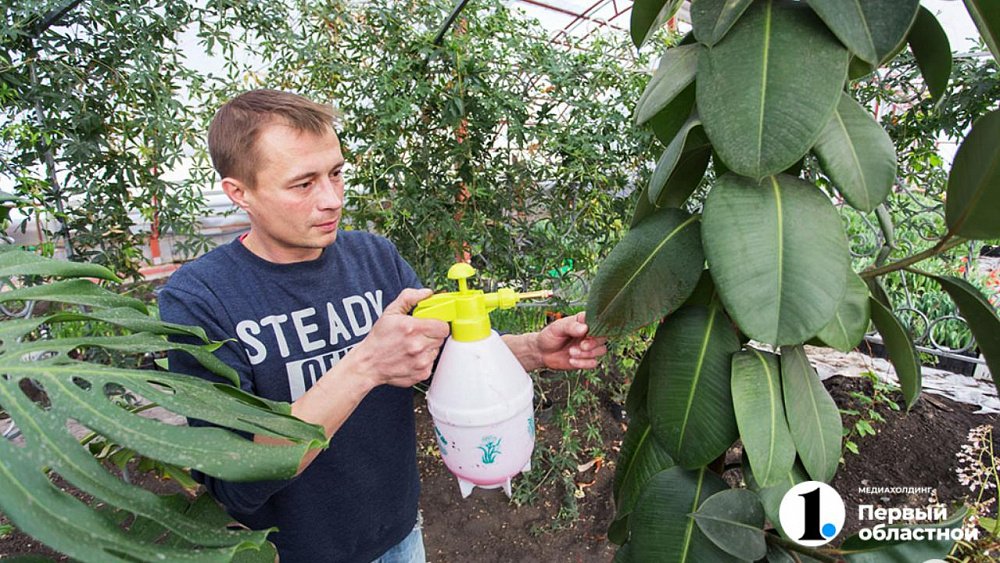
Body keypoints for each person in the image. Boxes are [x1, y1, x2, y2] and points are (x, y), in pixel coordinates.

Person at [159, 89, 608, 563]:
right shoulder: (200, 299)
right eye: (303, 184)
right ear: (239, 193)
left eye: (335, 173)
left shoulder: (374, 258)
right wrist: (364, 366)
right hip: (289, 551)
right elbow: (237, 477)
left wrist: (535, 350)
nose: (331, 200)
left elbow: (439, 361)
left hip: (398, 533)